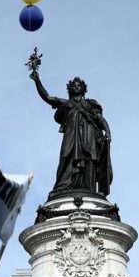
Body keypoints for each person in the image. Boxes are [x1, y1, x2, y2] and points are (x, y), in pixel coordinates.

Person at [29, 67, 113, 197]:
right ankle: (63, 187)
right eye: (74, 85)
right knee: (66, 157)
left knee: (88, 160)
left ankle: (89, 190)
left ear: (84, 88)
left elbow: (100, 119)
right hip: (71, 136)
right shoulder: (66, 103)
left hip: (89, 137)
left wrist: (107, 132)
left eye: (79, 85)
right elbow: (48, 97)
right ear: (70, 88)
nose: (77, 87)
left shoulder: (91, 103)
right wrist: (37, 81)